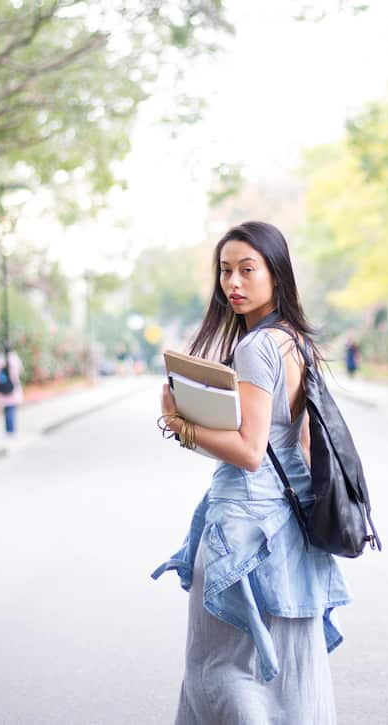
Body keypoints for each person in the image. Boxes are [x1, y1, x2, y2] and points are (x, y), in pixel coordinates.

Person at [152, 220, 350, 724]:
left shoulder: (256, 347)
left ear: (275, 274)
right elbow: (301, 445)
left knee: (221, 669)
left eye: (247, 270)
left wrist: (180, 424)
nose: (233, 284)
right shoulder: (294, 340)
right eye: (224, 272)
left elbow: (249, 451)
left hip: (244, 528)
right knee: (284, 678)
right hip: (290, 533)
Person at [0, 343, 24, 435]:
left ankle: (8, 429)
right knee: (11, 408)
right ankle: (11, 430)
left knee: (5, 408)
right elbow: (20, 371)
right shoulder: (15, 359)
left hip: (1, 387)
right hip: (13, 386)